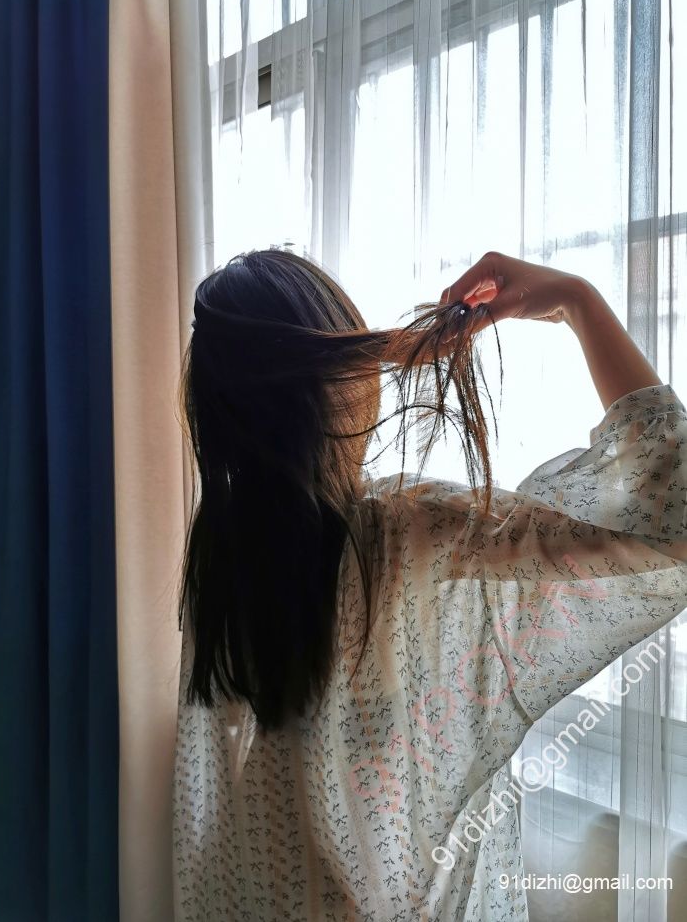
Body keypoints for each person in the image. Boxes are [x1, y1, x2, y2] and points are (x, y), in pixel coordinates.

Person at [172, 249, 687, 921]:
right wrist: (577, 299)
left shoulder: (222, 544)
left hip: (260, 885)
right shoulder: (407, 529)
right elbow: (673, 532)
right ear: (342, 384)